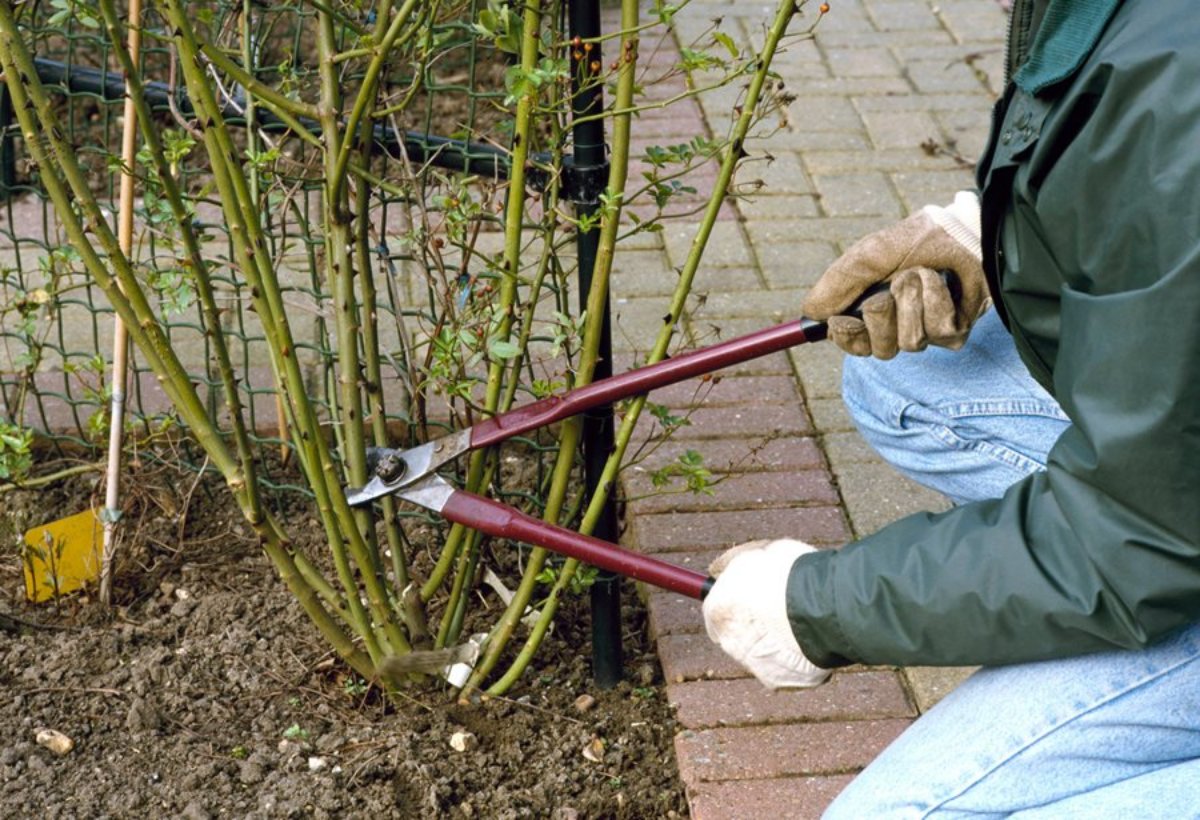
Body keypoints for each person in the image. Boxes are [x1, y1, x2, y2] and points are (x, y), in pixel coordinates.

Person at [701, 1, 1200, 815]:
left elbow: (1140, 535)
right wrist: (996, 240)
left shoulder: (1181, 88)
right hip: (1175, 516)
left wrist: (814, 604)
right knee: (908, 382)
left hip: (1164, 536)